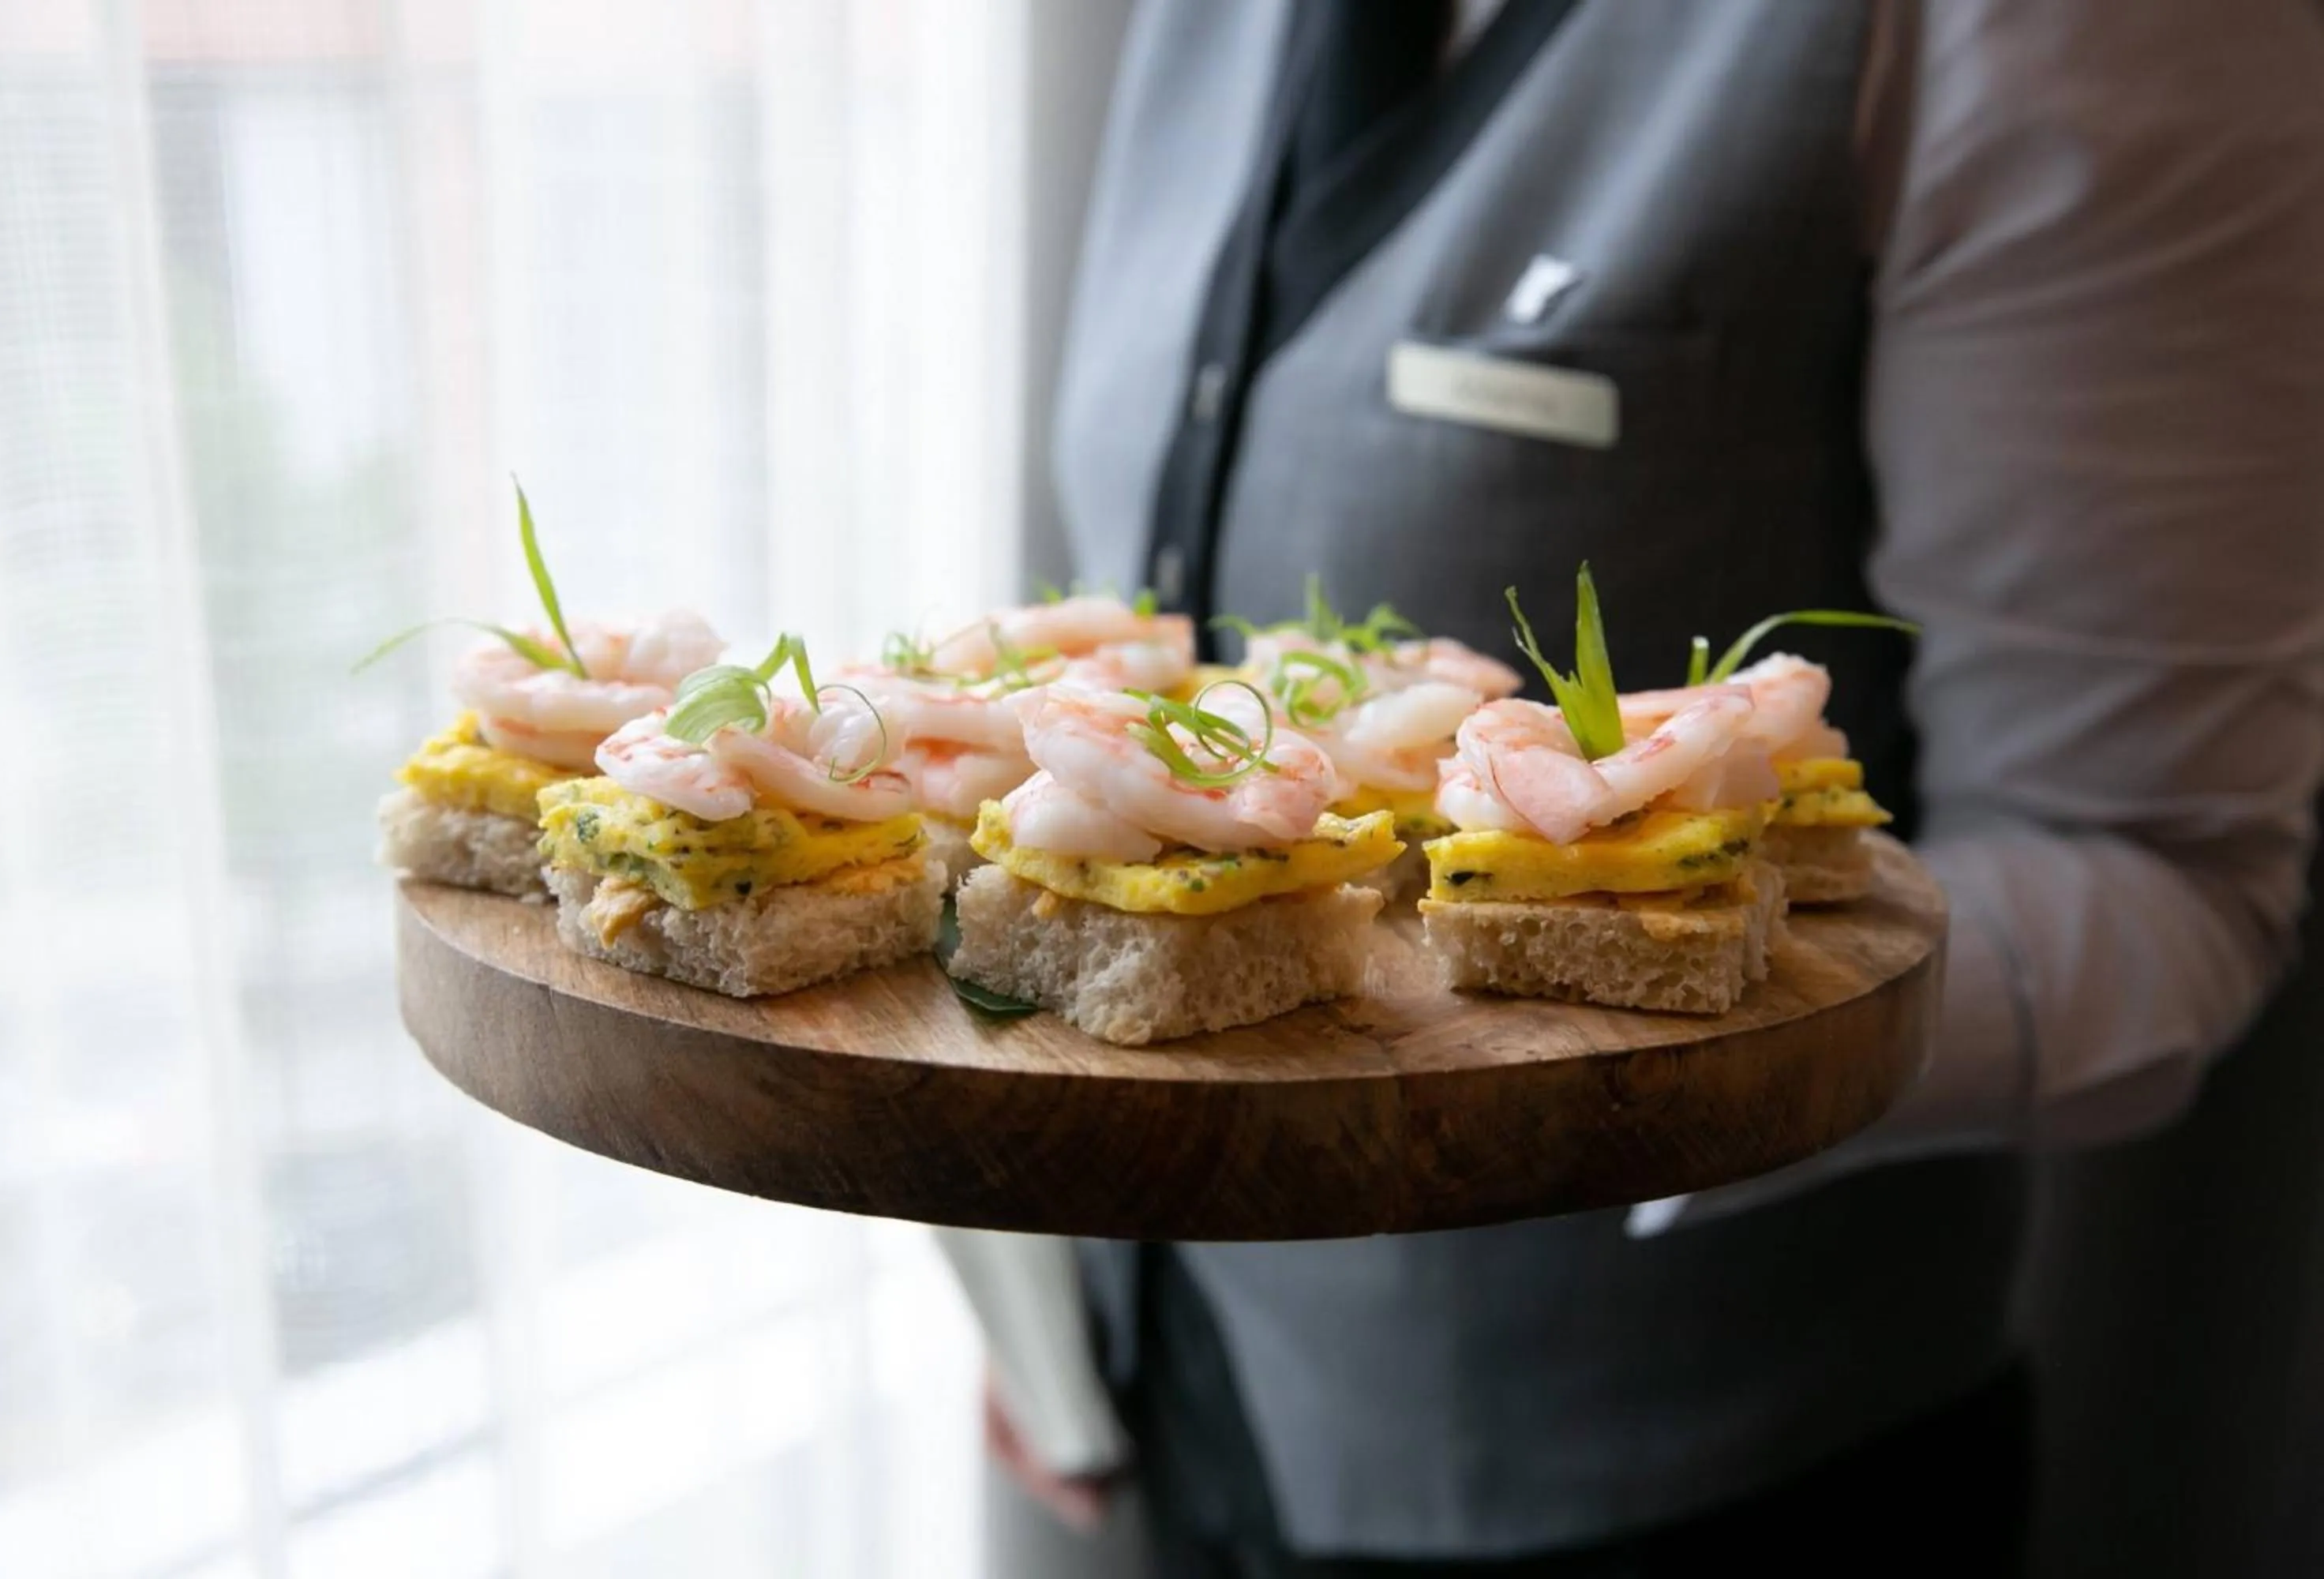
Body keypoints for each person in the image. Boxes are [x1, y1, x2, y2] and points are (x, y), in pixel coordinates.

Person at [991, 1, 2324, 1574]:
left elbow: (2157, 867)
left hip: (1691, 1482)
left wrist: (1637, 1058)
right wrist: (1037, 1266)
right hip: (1176, 1397)